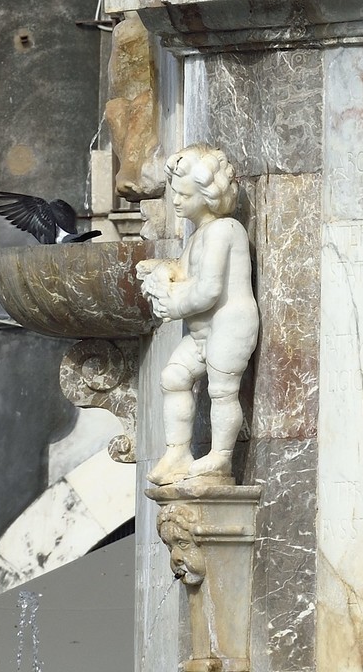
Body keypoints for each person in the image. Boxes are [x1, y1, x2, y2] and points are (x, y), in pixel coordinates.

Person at [137, 144, 259, 486]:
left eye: (182, 194)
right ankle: (177, 452)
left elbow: (207, 290)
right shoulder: (199, 235)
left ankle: (220, 458)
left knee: (222, 391)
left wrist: (173, 305)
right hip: (203, 331)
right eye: (174, 193)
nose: (175, 201)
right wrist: (160, 273)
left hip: (229, 324)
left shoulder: (224, 231)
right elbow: (185, 273)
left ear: (206, 196)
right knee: (173, 378)